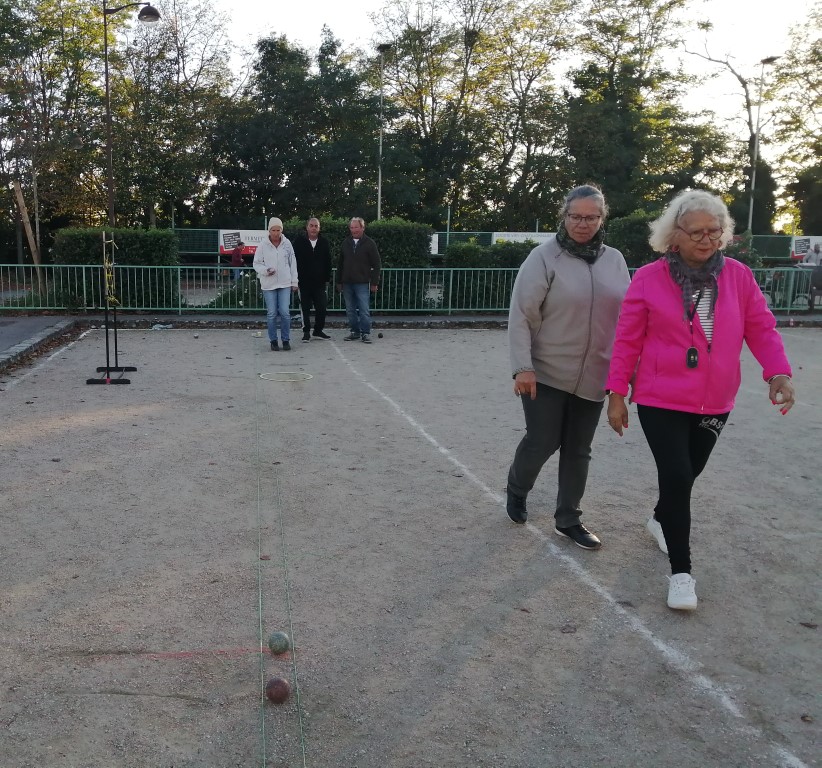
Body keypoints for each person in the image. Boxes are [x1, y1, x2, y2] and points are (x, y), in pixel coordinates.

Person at [605, 189, 795, 611]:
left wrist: (778, 372)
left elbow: (761, 328)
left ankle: (659, 518)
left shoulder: (739, 277)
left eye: (715, 231)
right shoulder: (649, 278)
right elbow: (627, 339)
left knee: (687, 475)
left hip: (715, 400)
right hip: (660, 397)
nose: (707, 239)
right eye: (697, 232)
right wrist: (617, 392)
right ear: (675, 235)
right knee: (676, 476)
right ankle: (681, 573)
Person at [506, 184, 630, 550]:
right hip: (545, 371)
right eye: (575, 216)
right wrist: (522, 367)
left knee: (579, 448)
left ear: (602, 218)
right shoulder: (543, 257)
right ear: (563, 216)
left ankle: (569, 518)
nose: (582, 223)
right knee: (542, 441)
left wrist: (625, 375)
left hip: (595, 374)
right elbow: (522, 316)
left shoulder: (615, 260)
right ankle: (517, 488)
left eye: (591, 217)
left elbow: (628, 319)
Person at [253, 218, 298, 351]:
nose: (276, 233)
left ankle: (285, 339)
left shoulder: (287, 243)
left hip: (284, 283)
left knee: (285, 312)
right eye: (273, 230)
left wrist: (294, 281)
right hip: (269, 284)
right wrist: (265, 270)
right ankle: (273, 340)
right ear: (269, 230)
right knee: (272, 313)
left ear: (281, 230)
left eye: (278, 230)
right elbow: (256, 263)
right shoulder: (263, 244)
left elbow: (292, 263)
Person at [337, 217, 381, 343]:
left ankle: (365, 333)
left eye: (356, 227)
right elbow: (340, 264)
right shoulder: (345, 243)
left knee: (364, 309)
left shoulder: (370, 243)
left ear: (362, 228)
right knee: (350, 310)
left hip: (362, 283)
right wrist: (339, 281)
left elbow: (377, 264)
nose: (354, 230)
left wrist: (374, 282)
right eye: (352, 227)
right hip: (347, 283)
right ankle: (354, 332)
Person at [293, 218, 332, 342]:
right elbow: (292, 261)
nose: (314, 228)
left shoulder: (324, 242)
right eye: (311, 225)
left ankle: (318, 330)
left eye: (316, 226)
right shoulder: (299, 242)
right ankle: (306, 332)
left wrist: (327, 278)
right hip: (303, 282)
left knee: (322, 307)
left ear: (319, 228)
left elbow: (328, 262)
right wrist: (294, 280)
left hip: (319, 282)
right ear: (307, 227)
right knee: (305, 308)